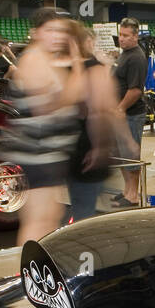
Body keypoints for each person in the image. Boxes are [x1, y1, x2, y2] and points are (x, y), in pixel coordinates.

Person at [5, 8, 85, 245]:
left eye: (61, 31)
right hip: (37, 156)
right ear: (36, 33)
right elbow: (56, 103)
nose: (57, 36)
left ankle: (34, 271)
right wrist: (79, 66)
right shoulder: (33, 60)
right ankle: (25, 274)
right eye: (50, 30)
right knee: (38, 221)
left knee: (50, 217)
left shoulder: (47, 60)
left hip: (48, 155)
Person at [67, 27, 120, 221]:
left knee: (84, 209)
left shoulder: (77, 69)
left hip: (80, 148)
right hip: (85, 149)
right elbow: (98, 109)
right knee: (85, 214)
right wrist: (100, 146)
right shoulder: (91, 69)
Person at [110, 17, 147, 207]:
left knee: (131, 155)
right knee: (121, 155)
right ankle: (127, 190)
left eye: (125, 35)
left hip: (131, 114)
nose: (121, 39)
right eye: (120, 35)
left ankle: (133, 195)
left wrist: (120, 108)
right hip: (121, 114)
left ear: (135, 36)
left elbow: (135, 90)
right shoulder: (124, 54)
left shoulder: (136, 57)